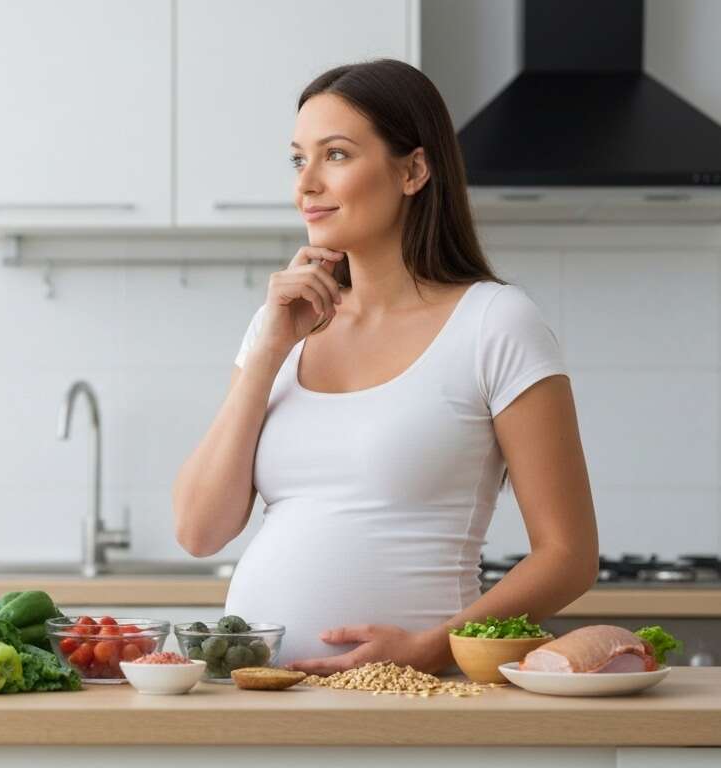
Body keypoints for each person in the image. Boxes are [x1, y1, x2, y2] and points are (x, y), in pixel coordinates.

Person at [171, 59, 598, 673]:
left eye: (336, 155)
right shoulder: (282, 325)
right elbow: (198, 531)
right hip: (262, 693)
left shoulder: (495, 322)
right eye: (298, 159)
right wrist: (267, 350)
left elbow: (569, 555)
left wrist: (432, 648)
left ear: (414, 170)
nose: (306, 184)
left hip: (411, 698)